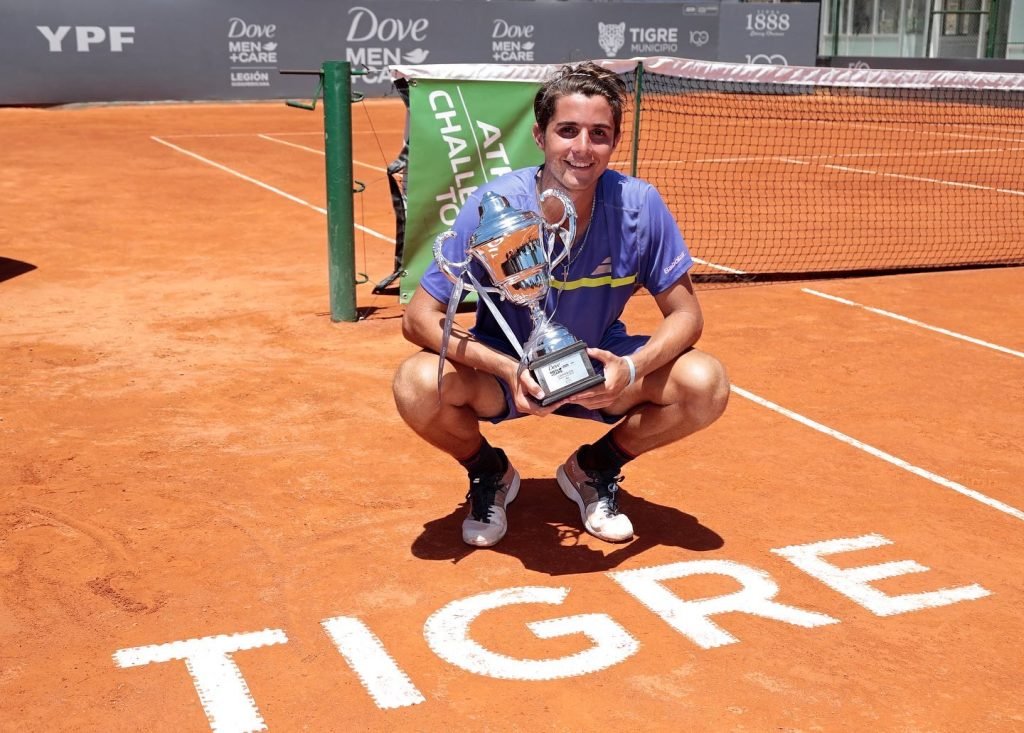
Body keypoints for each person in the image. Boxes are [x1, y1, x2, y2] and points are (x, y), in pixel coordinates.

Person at [393, 62, 729, 548]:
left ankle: (595, 468)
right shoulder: (494, 208)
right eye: (567, 131)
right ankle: (490, 473)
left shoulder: (640, 205)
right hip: (501, 371)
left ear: (614, 141)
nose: (582, 148)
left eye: (599, 134)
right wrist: (511, 371)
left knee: (706, 383)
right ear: (540, 135)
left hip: (601, 367)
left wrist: (630, 370)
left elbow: (686, 314)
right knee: (416, 384)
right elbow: (420, 318)